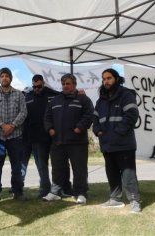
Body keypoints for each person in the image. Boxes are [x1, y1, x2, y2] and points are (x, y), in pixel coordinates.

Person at [92, 68, 141, 213]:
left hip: (123, 143)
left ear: (116, 79)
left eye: (109, 78)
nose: (106, 81)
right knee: (111, 173)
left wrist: (116, 133)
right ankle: (115, 199)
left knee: (128, 175)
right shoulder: (101, 100)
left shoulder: (126, 95)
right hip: (106, 144)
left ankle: (135, 201)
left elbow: (132, 115)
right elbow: (95, 118)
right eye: (104, 79)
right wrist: (97, 130)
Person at [42, 73, 94, 204]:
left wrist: (80, 127)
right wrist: (50, 129)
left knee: (79, 169)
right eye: (63, 84)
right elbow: (47, 117)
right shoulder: (55, 100)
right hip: (58, 141)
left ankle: (81, 193)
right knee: (57, 168)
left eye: (68, 84)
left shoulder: (83, 99)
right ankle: (55, 192)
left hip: (77, 142)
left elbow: (89, 115)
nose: (65, 86)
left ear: (74, 85)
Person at [22, 74, 73, 198]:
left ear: (43, 84)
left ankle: (64, 187)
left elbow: (66, 96)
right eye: (34, 87)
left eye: (39, 86)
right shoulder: (27, 97)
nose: (37, 89)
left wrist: (80, 93)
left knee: (60, 164)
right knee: (41, 165)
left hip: (53, 135)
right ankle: (45, 189)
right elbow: (25, 117)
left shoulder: (53, 95)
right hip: (36, 137)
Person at [0, 67, 27, 202]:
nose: (5, 78)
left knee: (17, 165)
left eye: (7, 76)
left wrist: (13, 125)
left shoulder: (19, 94)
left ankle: (17, 191)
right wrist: (3, 126)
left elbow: (23, 112)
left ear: (10, 78)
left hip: (15, 136)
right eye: (2, 76)